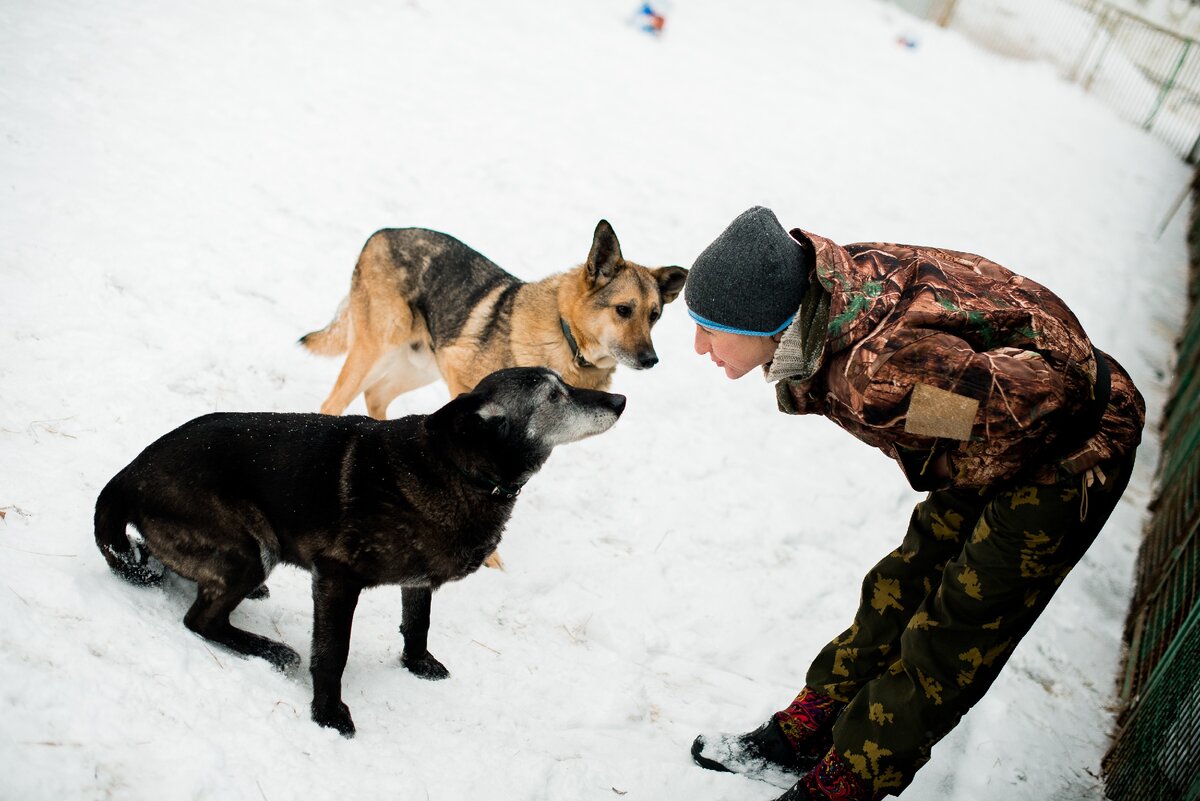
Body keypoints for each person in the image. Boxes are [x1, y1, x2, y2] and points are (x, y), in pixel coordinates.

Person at [684, 207, 1145, 800]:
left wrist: (959, 458)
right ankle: (805, 732)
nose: (699, 347)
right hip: (995, 432)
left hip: (1071, 451)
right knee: (898, 585)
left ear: (764, 320)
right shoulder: (829, 292)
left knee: (952, 631)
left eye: (710, 327)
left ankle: (846, 782)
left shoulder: (881, 372)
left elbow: (1019, 409)